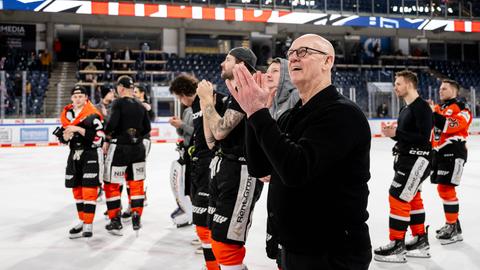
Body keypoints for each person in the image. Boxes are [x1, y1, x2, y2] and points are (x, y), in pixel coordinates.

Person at [228, 34, 372, 270]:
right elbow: (259, 166)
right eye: (291, 53)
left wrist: (258, 113)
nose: (294, 57)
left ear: (328, 61)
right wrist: (252, 113)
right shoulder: (290, 115)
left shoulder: (342, 114)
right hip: (294, 248)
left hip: (332, 253)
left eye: (303, 51)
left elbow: (296, 170)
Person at [197, 47, 264, 270]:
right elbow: (210, 141)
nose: (221, 64)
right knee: (215, 236)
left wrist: (207, 101)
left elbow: (219, 132)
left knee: (227, 243)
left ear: (241, 65)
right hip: (223, 167)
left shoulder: (247, 91)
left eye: (227, 59)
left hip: (241, 172)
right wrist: (205, 104)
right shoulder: (231, 94)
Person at [374, 70, 433, 263]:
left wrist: (397, 133)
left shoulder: (422, 107)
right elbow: (406, 136)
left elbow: (424, 139)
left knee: (397, 195)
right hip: (407, 160)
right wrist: (393, 133)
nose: (395, 87)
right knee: (413, 198)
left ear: (408, 84)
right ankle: (419, 240)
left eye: (398, 83)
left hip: (418, 160)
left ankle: (397, 245)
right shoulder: (405, 108)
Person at [169, 74, 225, 270]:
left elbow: (207, 131)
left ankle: (212, 253)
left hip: (208, 164)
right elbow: (194, 135)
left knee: (207, 208)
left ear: (183, 93)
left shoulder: (208, 102)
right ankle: (208, 247)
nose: (180, 101)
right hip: (198, 162)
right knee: (199, 207)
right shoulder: (192, 108)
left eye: (178, 96)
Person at [103, 75, 151, 235]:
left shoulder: (117, 103)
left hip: (120, 148)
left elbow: (111, 125)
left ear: (120, 88)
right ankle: (136, 216)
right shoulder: (140, 105)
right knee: (136, 183)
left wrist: (108, 135)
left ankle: (115, 220)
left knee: (112, 184)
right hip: (138, 148)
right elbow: (147, 128)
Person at [55, 85, 104, 239]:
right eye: (75, 96)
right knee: (76, 190)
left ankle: (88, 225)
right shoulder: (67, 115)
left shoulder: (93, 114)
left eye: (80, 96)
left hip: (90, 154)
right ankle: (83, 221)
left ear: (86, 98)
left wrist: (77, 130)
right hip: (74, 155)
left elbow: (99, 138)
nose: (77, 98)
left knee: (89, 190)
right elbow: (64, 138)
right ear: (71, 98)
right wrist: (64, 137)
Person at [430, 79, 472, 245]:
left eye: (444, 88)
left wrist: (431, 114)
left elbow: (450, 126)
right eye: (440, 88)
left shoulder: (462, 108)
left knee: (447, 189)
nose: (441, 91)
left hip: (454, 150)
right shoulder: (438, 108)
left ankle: (452, 227)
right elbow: (434, 131)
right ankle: (454, 225)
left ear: (454, 91)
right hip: (439, 153)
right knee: (443, 189)